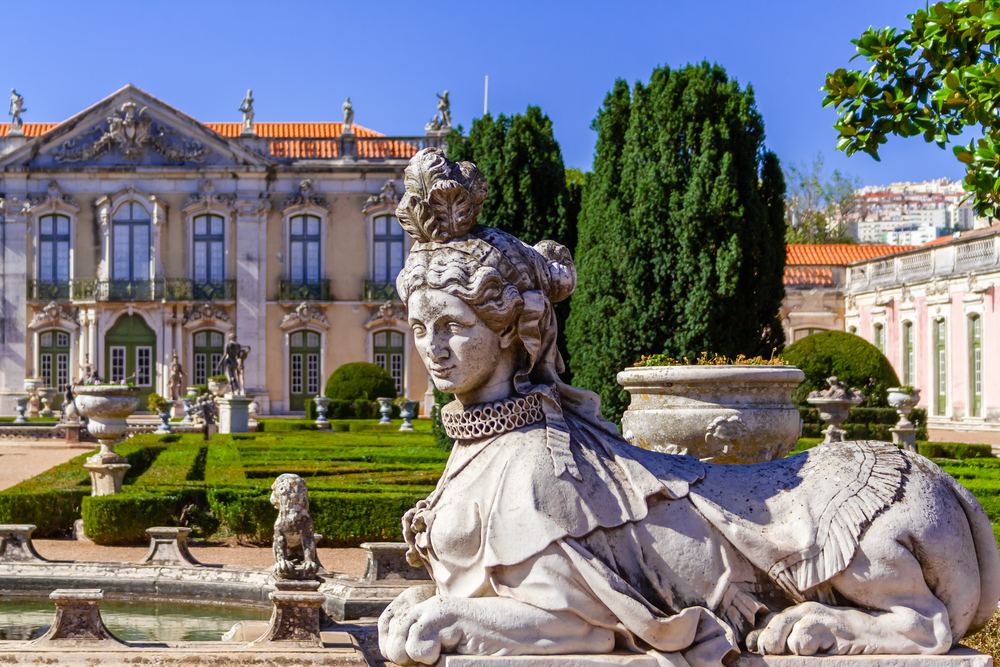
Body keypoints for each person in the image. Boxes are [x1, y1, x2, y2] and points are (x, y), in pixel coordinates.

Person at [377, 148, 1000, 667]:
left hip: (870, 511)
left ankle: (906, 621)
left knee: (820, 519)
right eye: (420, 326)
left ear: (513, 330)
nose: (432, 349)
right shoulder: (492, 452)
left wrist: (453, 615)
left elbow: (581, 630)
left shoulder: (543, 463)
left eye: (454, 326)